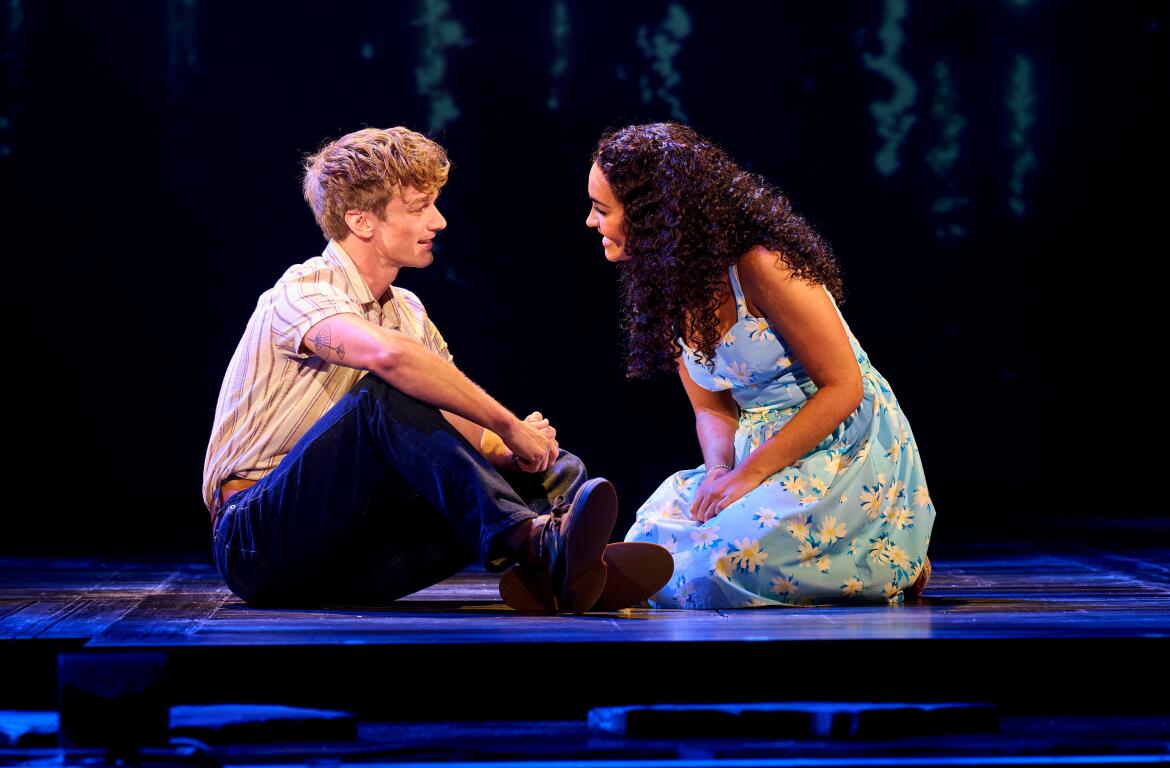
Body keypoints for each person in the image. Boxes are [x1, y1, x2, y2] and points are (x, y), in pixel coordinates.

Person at [202, 125, 670, 613]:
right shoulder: (301, 291)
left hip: (350, 556)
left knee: (552, 469)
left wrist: (516, 449)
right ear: (362, 222)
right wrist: (508, 424)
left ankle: (559, 568)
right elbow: (390, 360)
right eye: (419, 207)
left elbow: (457, 431)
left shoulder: (406, 311)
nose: (440, 221)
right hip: (258, 544)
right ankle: (539, 550)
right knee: (382, 392)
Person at [584, 122, 936, 609]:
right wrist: (719, 472)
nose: (590, 221)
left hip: (838, 445)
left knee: (724, 565)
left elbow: (843, 387)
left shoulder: (761, 266)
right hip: (760, 449)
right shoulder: (667, 288)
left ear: (652, 215)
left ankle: (886, 553)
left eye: (602, 209)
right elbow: (712, 409)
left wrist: (748, 476)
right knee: (654, 533)